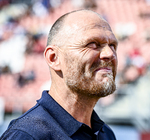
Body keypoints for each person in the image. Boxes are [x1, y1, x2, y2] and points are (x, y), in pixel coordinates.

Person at [0, 9, 118, 140]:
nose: (110, 54)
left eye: (113, 45)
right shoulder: (27, 135)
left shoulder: (105, 133)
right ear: (54, 58)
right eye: (93, 44)